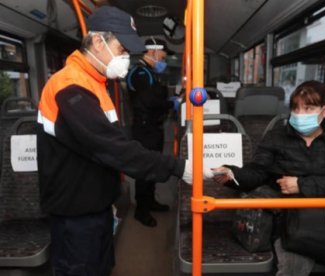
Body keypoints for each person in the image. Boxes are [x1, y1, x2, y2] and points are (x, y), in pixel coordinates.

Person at [36, 6, 212, 276]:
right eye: (121, 49)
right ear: (98, 41)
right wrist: (176, 167)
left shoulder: (93, 81)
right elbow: (111, 146)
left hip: (94, 203)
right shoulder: (71, 87)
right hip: (76, 211)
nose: (126, 57)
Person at [212, 80, 325, 275]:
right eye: (296, 108)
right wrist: (232, 174)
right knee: (292, 269)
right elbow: (257, 172)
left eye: (308, 108)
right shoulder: (277, 137)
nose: (300, 114)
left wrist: (301, 185)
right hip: (292, 219)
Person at [125, 38, 181, 227]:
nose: (163, 61)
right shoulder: (140, 73)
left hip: (153, 127)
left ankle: (150, 201)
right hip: (144, 129)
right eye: (163, 57)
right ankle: (141, 210)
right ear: (153, 53)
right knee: (144, 168)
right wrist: (171, 103)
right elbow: (150, 102)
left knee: (153, 166)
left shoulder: (150, 73)